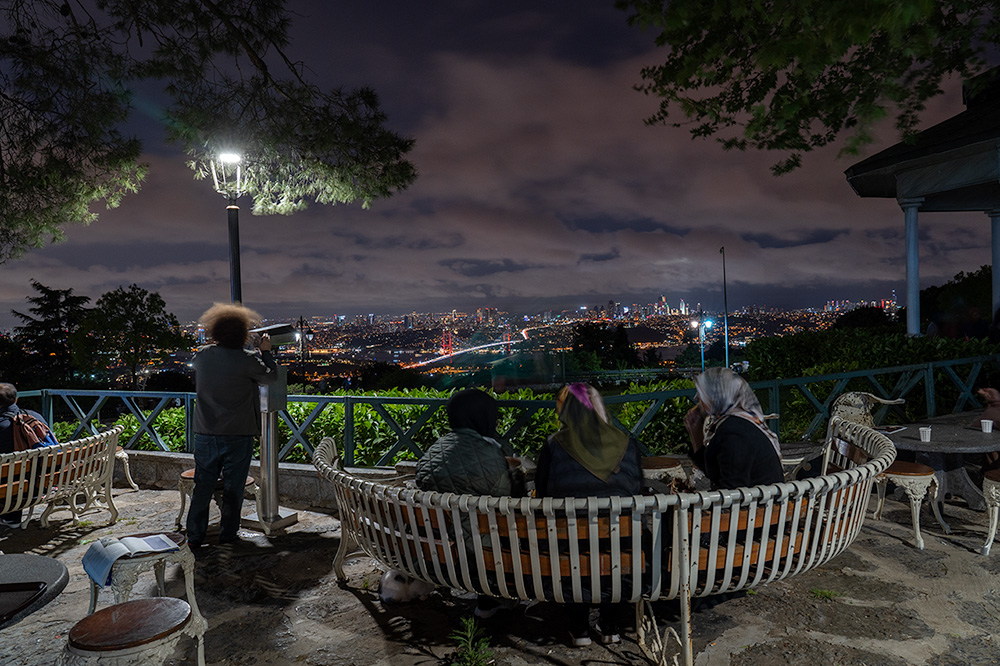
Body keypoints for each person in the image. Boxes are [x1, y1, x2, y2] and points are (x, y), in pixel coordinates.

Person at [533, 383, 642, 647]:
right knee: (617, 538)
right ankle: (610, 625)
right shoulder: (627, 443)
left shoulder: (553, 446)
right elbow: (638, 490)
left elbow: (544, 494)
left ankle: (579, 628)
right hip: (621, 545)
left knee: (567, 538)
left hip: (569, 547)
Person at [415, 388, 524, 618]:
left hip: (434, 553)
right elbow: (508, 504)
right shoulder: (490, 455)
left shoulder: (433, 452)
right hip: (480, 556)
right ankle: (495, 597)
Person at [186, 303, 278, 548]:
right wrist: (265, 351)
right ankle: (228, 534)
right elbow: (270, 376)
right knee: (233, 488)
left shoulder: (203, 355)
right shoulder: (247, 360)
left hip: (205, 432)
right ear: (241, 335)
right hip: (238, 434)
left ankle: (194, 536)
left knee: (203, 487)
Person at [683, 367, 784, 490]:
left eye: (703, 393)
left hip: (754, 507)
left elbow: (732, 490)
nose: (697, 399)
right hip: (763, 504)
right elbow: (716, 472)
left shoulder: (734, 432)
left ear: (718, 396)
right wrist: (696, 433)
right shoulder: (741, 422)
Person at [0, 382, 52, 527]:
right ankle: (11, 517)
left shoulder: (2, 425)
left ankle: (9, 516)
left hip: (16, 488)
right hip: (43, 482)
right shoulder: (35, 417)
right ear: (16, 399)